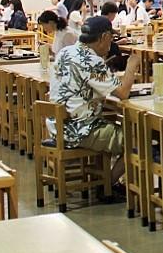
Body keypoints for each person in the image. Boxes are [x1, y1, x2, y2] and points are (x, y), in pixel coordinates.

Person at [51, 17, 138, 190]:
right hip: (80, 129)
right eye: (110, 39)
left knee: (115, 124)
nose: (110, 44)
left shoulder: (65, 52)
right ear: (104, 37)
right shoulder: (91, 61)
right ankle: (108, 185)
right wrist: (131, 67)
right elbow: (122, 93)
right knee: (137, 140)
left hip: (58, 125)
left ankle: (104, 180)